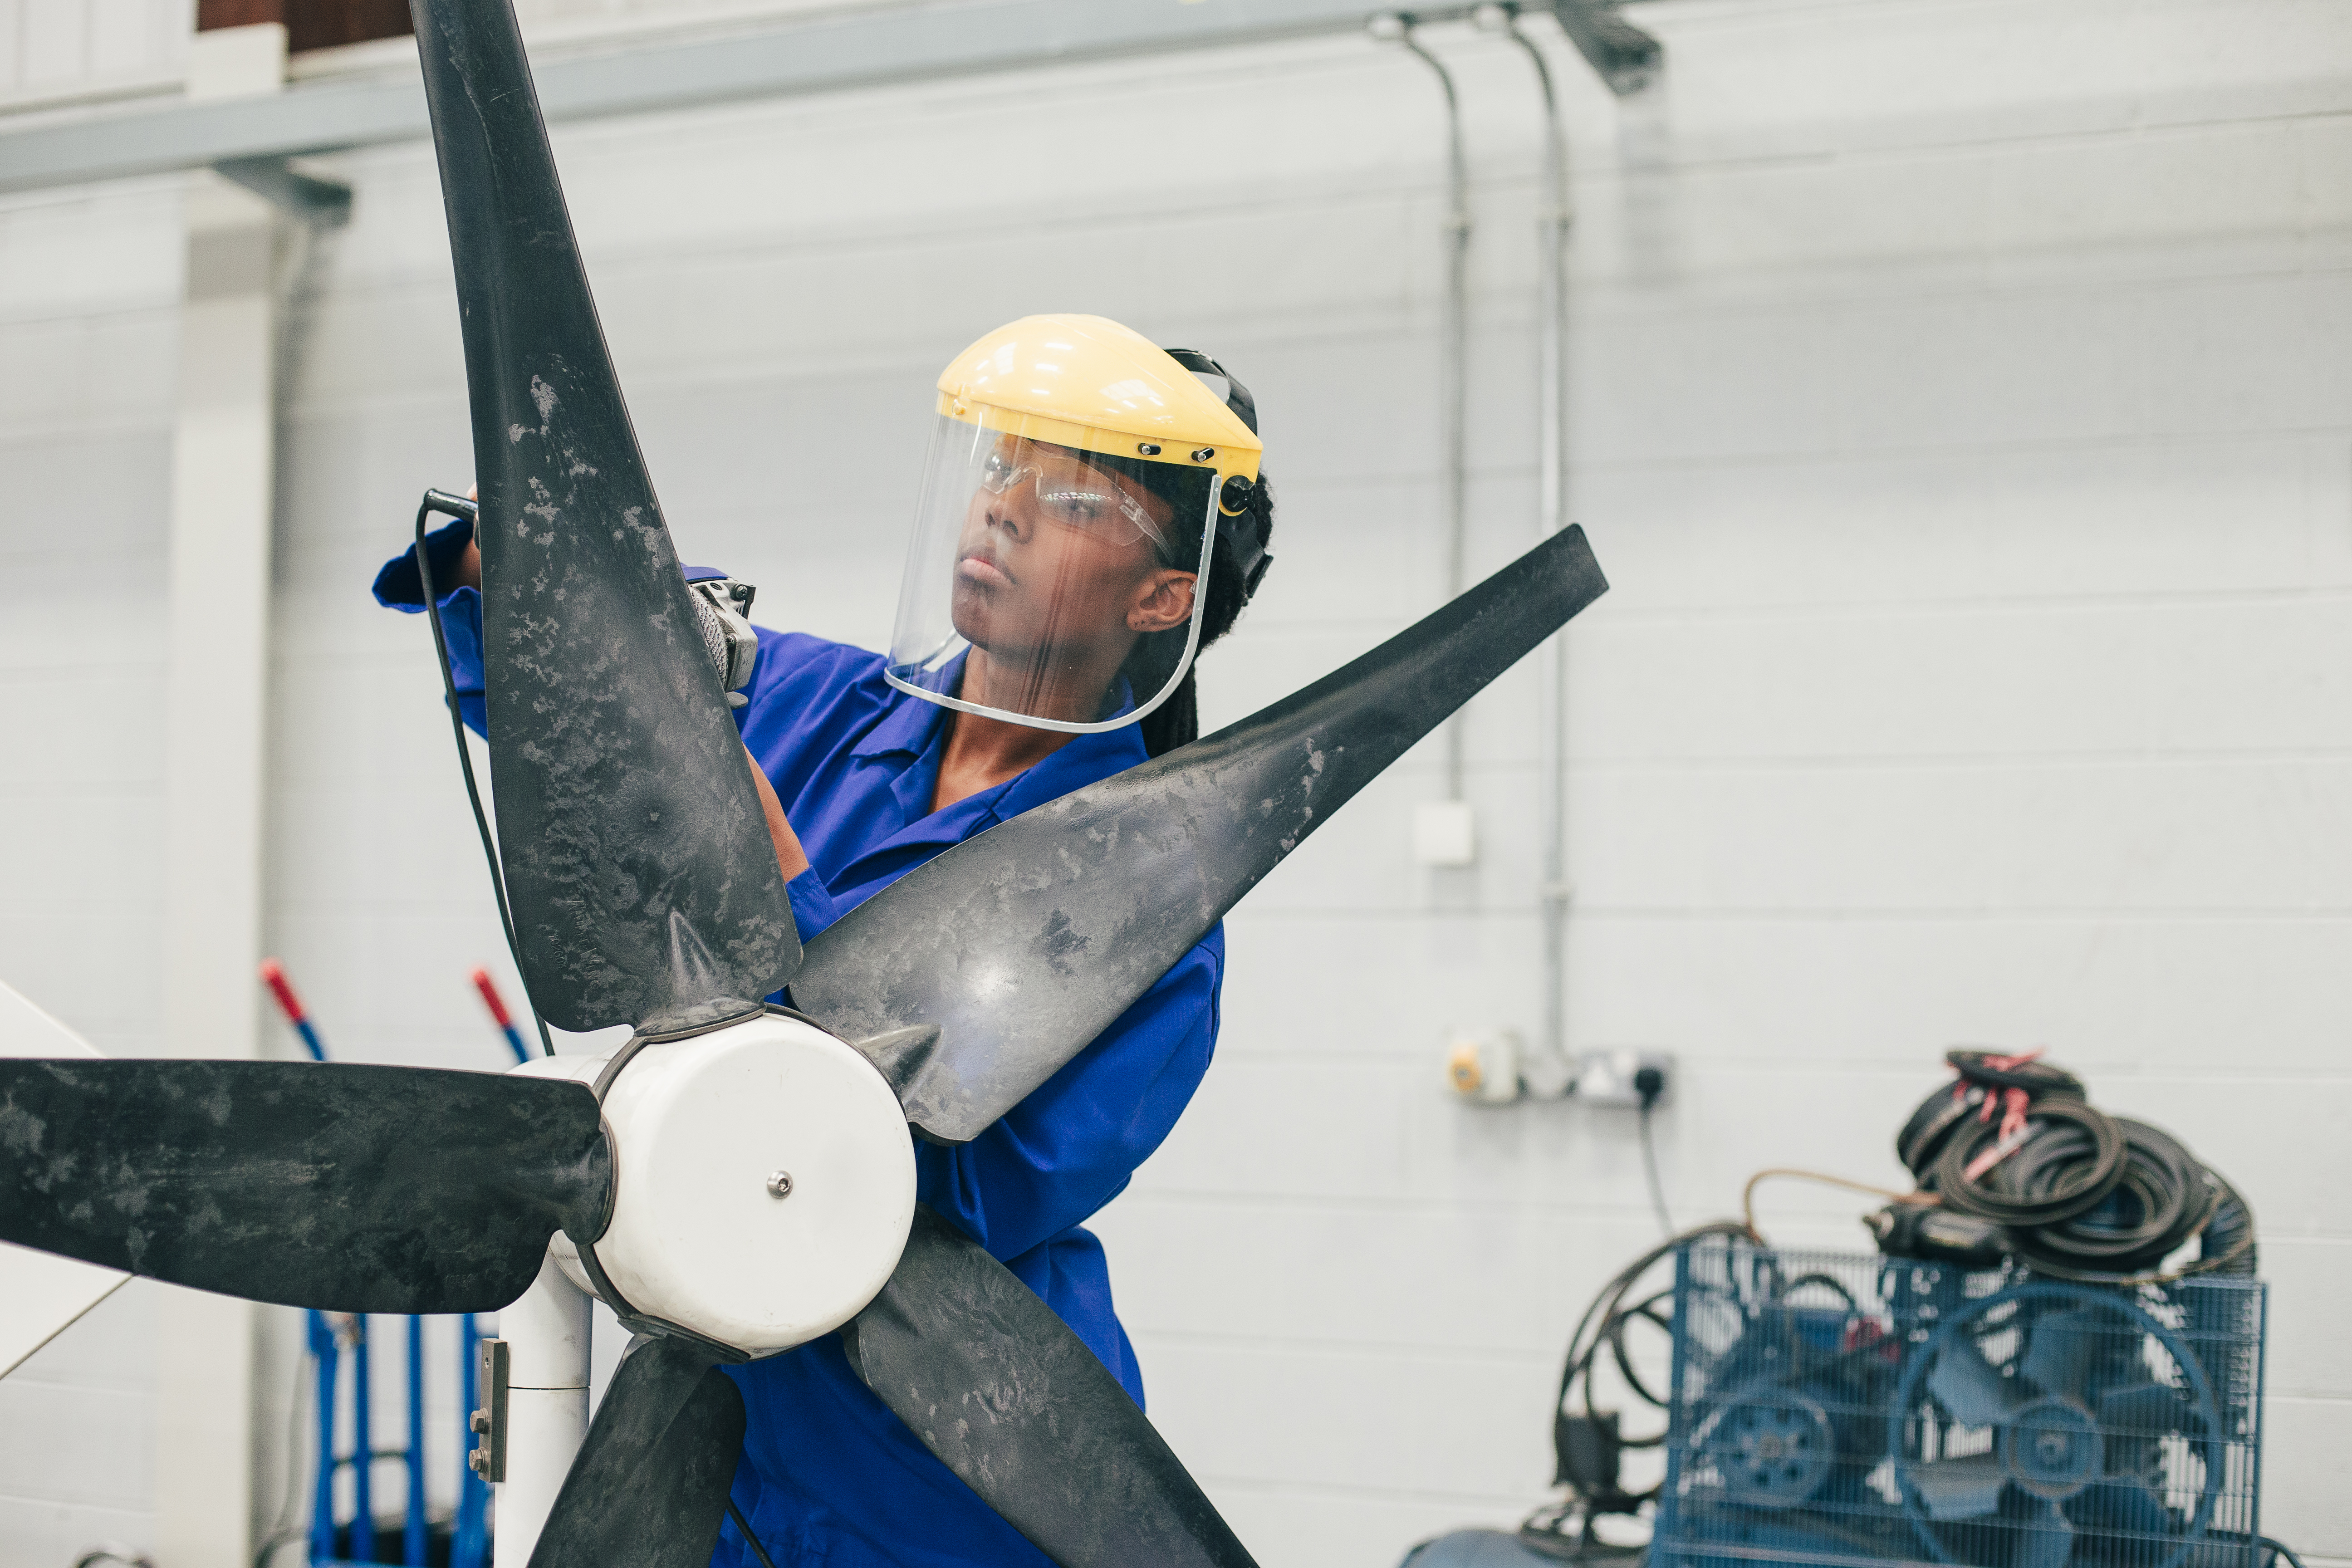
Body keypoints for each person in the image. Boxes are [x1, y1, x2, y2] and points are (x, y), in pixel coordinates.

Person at [372, 314, 1276, 1567]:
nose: (1003, 511)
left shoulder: (1152, 913)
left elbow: (936, 1192)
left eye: (1069, 496)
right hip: (725, 1456)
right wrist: (528, 563)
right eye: (999, 469)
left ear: (1161, 597)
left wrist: (777, 884)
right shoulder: (808, 699)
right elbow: (572, 709)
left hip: (938, 1488)